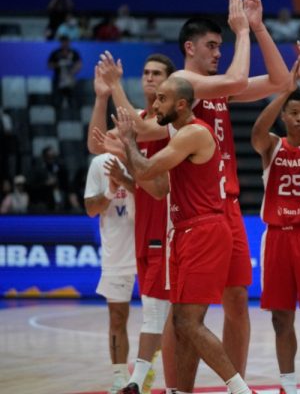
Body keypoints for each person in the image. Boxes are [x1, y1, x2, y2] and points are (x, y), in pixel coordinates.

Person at [104, 0, 291, 380]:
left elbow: (279, 80)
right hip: (194, 212)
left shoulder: (217, 89)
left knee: (238, 299)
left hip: (229, 207)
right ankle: (177, 386)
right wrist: (241, 31)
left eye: (221, 45)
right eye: (211, 45)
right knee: (185, 309)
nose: (217, 52)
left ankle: (234, 382)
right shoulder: (185, 81)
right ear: (190, 47)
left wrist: (258, 28)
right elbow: (237, 78)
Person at [97, 77, 253, 394]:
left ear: (181, 104)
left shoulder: (193, 133)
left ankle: (240, 390)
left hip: (204, 232)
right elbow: (156, 188)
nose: (154, 105)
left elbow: (149, 169)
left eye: (162, 99)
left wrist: (128, 141)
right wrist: (128, 157)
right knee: (180, 324)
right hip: (184, 232)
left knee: (187, 322)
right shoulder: (180, 139)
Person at [88, 53, 179, 394]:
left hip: (169, 224)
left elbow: (137, 137)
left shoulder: (171, 122)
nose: (149, 79)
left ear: (171, 82)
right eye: (145, 73)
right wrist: (101, 96)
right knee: (159, 314)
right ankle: (143, 376)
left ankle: (146, 379)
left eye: (157, 73)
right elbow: (96, 143)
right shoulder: (138, 119)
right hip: (140, 229)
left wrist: (114, 87)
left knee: (165, 314)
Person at [250, 47, 300, 394]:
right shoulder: (271, 146)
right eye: (294, 113)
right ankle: (288, 386)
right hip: (278, 238)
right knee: (280, 317)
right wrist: (283, 89)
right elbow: (256, 129)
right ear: (285, 116)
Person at [84, 153, 136, 394]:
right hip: (118, 251)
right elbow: (91, 209)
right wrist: (110, 190)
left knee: (165, 318)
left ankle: (150, 373)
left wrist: (125, 179)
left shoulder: (149, 154)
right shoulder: (99, 163)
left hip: (152, 246)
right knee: (117, 317)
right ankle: (120, 379)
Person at [47, 35, 82, 110]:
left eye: (67, 42)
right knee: (57, 102)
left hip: (71, 80)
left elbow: (79, 64)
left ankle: (74, 118)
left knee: (73, 102)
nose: (65, 44)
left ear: (69, 43)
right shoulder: (55, 53)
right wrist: (59, 64)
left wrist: (72, 71)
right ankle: (57, 118)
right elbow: (49, 65)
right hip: (58, 80)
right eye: (63, 42)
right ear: (61, 43)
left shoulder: (74, 53)